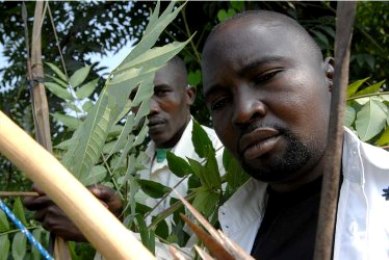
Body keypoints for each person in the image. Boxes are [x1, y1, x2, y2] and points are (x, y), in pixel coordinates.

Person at [201, 10, 389, 260]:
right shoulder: (225, 232)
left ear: (331, 78)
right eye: (220, 102)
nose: (244, 112)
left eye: (265, 77)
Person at [24, 56, 224, 244]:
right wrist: (119, 215)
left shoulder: (219, 157)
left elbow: (208, 253)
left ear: (189, 95)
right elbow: (149, 235)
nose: (150, 108)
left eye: (161, 92)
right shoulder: (137, 165)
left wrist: (97, 230)